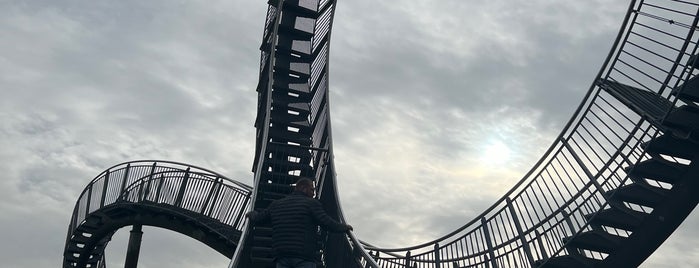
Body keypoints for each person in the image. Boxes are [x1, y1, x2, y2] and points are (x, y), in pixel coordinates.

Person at [246, 178, 353, 268]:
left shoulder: (276, 204)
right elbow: (326, 222)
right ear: (303, 188)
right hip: (303, 256)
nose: (313, 193)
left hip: (282, 256)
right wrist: (343, 227)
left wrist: (252, 214)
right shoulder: (311, 204)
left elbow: (260, 219)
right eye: (312, 189)